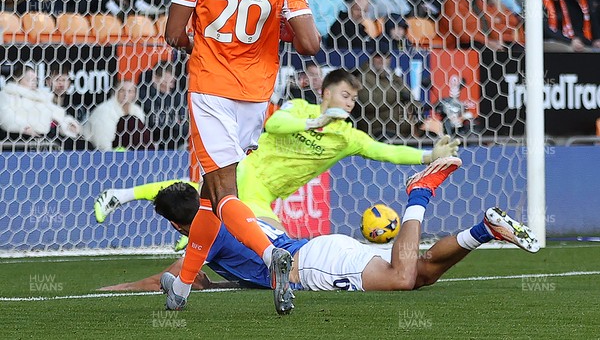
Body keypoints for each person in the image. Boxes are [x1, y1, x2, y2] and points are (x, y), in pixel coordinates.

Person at [95, 69, 460, 241]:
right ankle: (195, 238)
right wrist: (316, 120)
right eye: (345, 96)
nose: (350, 103)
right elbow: (274, 126)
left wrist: (427, 157)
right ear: (327, 93)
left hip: (266, 194)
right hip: (246, 174)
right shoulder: (300, 108)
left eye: (354, 98)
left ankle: (125, 198)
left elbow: (385, 151)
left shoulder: (348, 137)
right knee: (278, 247)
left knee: (197, 196)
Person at [97, 159, 539, 293]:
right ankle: (482, 231)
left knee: (403, 279)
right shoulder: (233, 209)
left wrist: (105, 292)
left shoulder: (202, 234)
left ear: (179, 223)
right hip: (320, 246)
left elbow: (171, 278)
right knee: (420, 271)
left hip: (312, 267)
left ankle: (420, 192)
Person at [162, 0, 320, 314]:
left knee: (222, 192)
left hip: (211, 88)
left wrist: (204, 49)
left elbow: (174, 34)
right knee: (208, 193)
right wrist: (278, 29)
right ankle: (180, 288)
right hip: (256, 95)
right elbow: (309, 45)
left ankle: (269, 255)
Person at [0, 64, 82, 148]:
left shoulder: (40, 97)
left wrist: (69, 125)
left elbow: (58, 114)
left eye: (35, 80)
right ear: (17, 79)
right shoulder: (8, 94)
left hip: (41, 141)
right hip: (16, 140)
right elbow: (6, 118)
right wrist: (23, 128)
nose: (33, 82)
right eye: (29, 79)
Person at [352, 52, 419, 142]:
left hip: (404, 131)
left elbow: (411, 99)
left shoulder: (394, 77)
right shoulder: (363, 77)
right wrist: (397, 94)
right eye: (378, 56)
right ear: (371, 58)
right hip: (378, 131)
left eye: (386, 56)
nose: (382, 59)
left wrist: (415, 123)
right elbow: (370, 103)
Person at [439, 0, 523, 51]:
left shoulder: (479, 2)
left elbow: (491, 27)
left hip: (482, 42)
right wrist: (488, 42)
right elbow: (463, 34)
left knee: (517, 49)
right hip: (462, 45)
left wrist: (499, 41)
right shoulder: (452, 3)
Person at [82, 81, 152, 151]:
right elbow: (102, 142)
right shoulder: (105, 110)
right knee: (132, 121)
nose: (126, 94)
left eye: (130, 91)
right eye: (122, 90)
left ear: (135, 94)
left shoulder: (137, 110)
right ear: (115, 92)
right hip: (99, 153)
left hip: (128, 151)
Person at [137, 61, 188, 150]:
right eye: (165, 82)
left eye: (172, 82)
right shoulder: (143, 97)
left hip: (178, 143)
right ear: (155, 78)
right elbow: (151, 125)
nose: (170, 86)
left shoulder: (178, 95)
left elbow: (184, 123)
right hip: (153, 144)